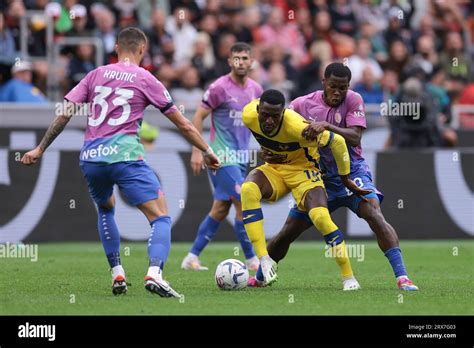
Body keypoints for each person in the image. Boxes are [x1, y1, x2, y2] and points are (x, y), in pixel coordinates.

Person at [21, 27, 220, 297]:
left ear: (116, 48)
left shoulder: (95, 75)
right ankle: (155, 273)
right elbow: (183, 124)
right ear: (142, 49)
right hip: (125, 156)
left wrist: (40, 148)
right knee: (160, 217)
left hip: (91, 158)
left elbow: (64, 114)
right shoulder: (146, 78)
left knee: (106, 208)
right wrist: (206, 150)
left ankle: (117, 273)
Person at [250, 63, 418, 291]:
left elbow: (355, 137)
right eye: (333, 87)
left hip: (351, 173)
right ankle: (260, 278)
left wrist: (326, 125)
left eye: (343, 87)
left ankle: (402, 277)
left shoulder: (354, 100)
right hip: (317, 177)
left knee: (374, 214)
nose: (338, 92)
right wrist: (269, 150)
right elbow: (281, 129)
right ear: (324, 83)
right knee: (288, 231)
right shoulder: (301, 104)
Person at [241, 89, 370, 290]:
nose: (268, 121)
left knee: (320, 217)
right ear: (258, 109)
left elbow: (337, 141)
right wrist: (265, 152)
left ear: (283, 113)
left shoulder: (297, 127)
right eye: (264, 115)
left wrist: (345, 178)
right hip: (276, 169)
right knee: (248, 189)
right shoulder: (248, 115)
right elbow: (269, 142)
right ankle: (264, 260)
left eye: (275, 116)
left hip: (305, 172)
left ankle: (348, 277)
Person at [181, 42, 263, 271]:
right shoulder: (219, 87)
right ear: (229, 61)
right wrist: (198, 151)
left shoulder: (256, 90)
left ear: (251, 61)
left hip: (241, 157)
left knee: (220, 209)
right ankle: (252, 261)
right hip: (221, 157)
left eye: (245, 58)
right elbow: (197, 117)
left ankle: (191, 257)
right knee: (243, 202)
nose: (241, 62)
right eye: (236, 58)